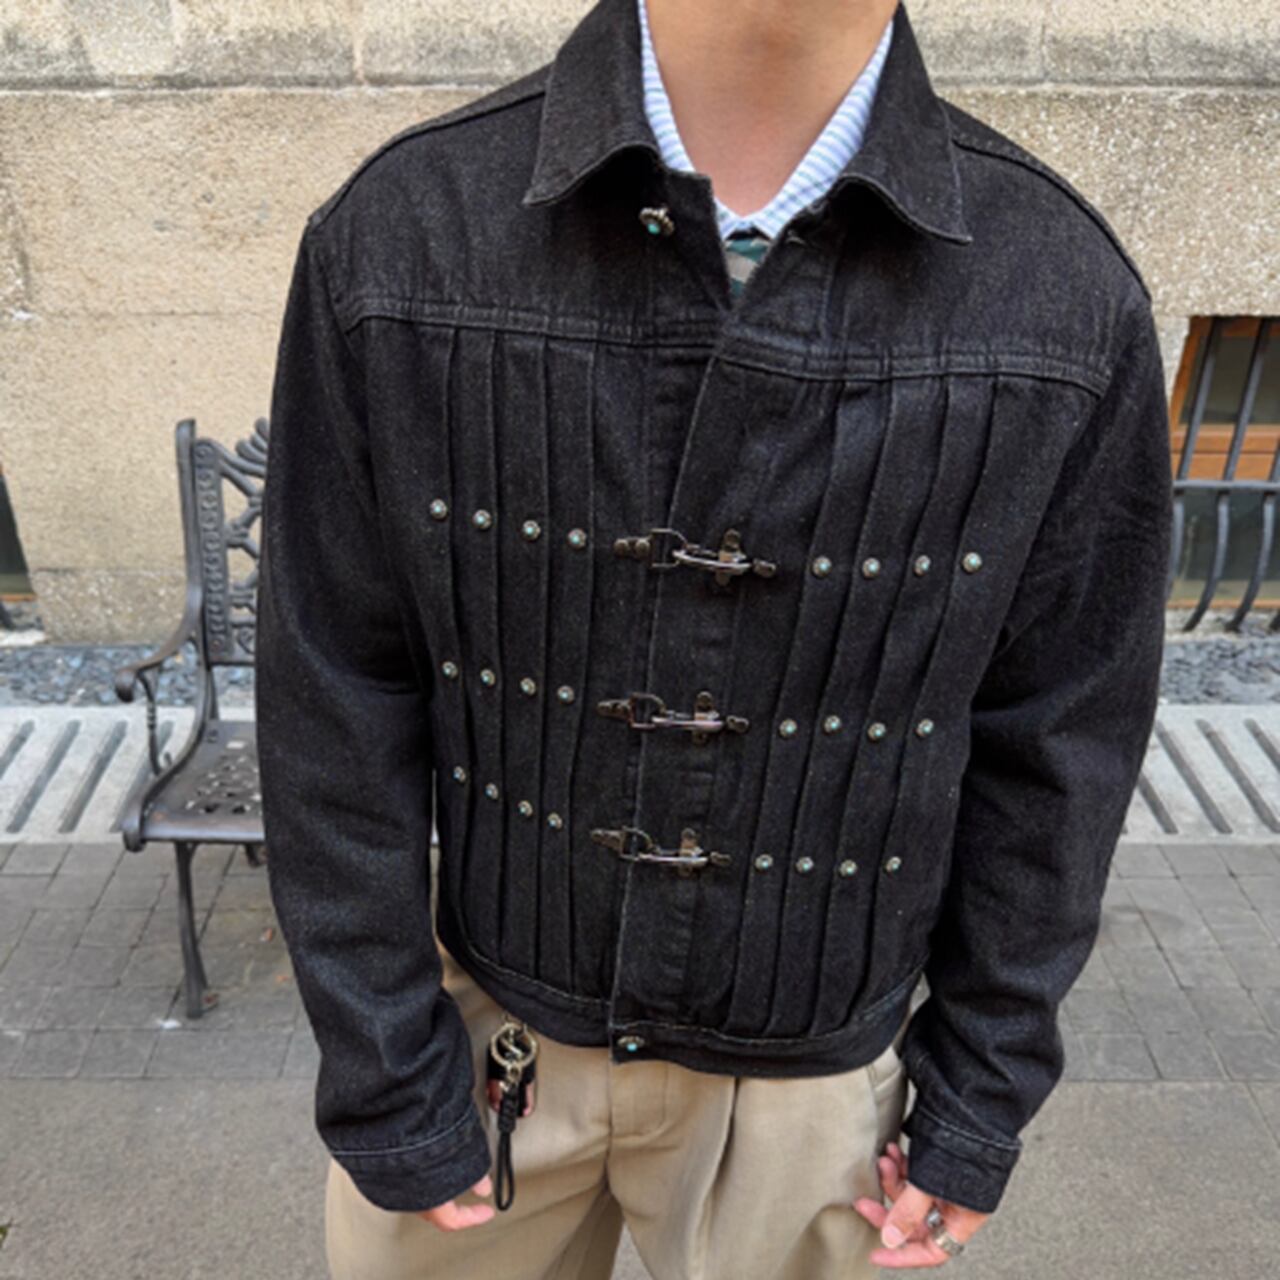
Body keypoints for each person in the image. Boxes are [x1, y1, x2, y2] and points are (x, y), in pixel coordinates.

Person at [254, 0, 1173, 1274]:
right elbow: (333, 694)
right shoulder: (404, 233)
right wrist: (383, 1068)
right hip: (478, 1051)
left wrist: (978, 1088)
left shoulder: (1061, 289)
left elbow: (1059, 742)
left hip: (822, 1096)